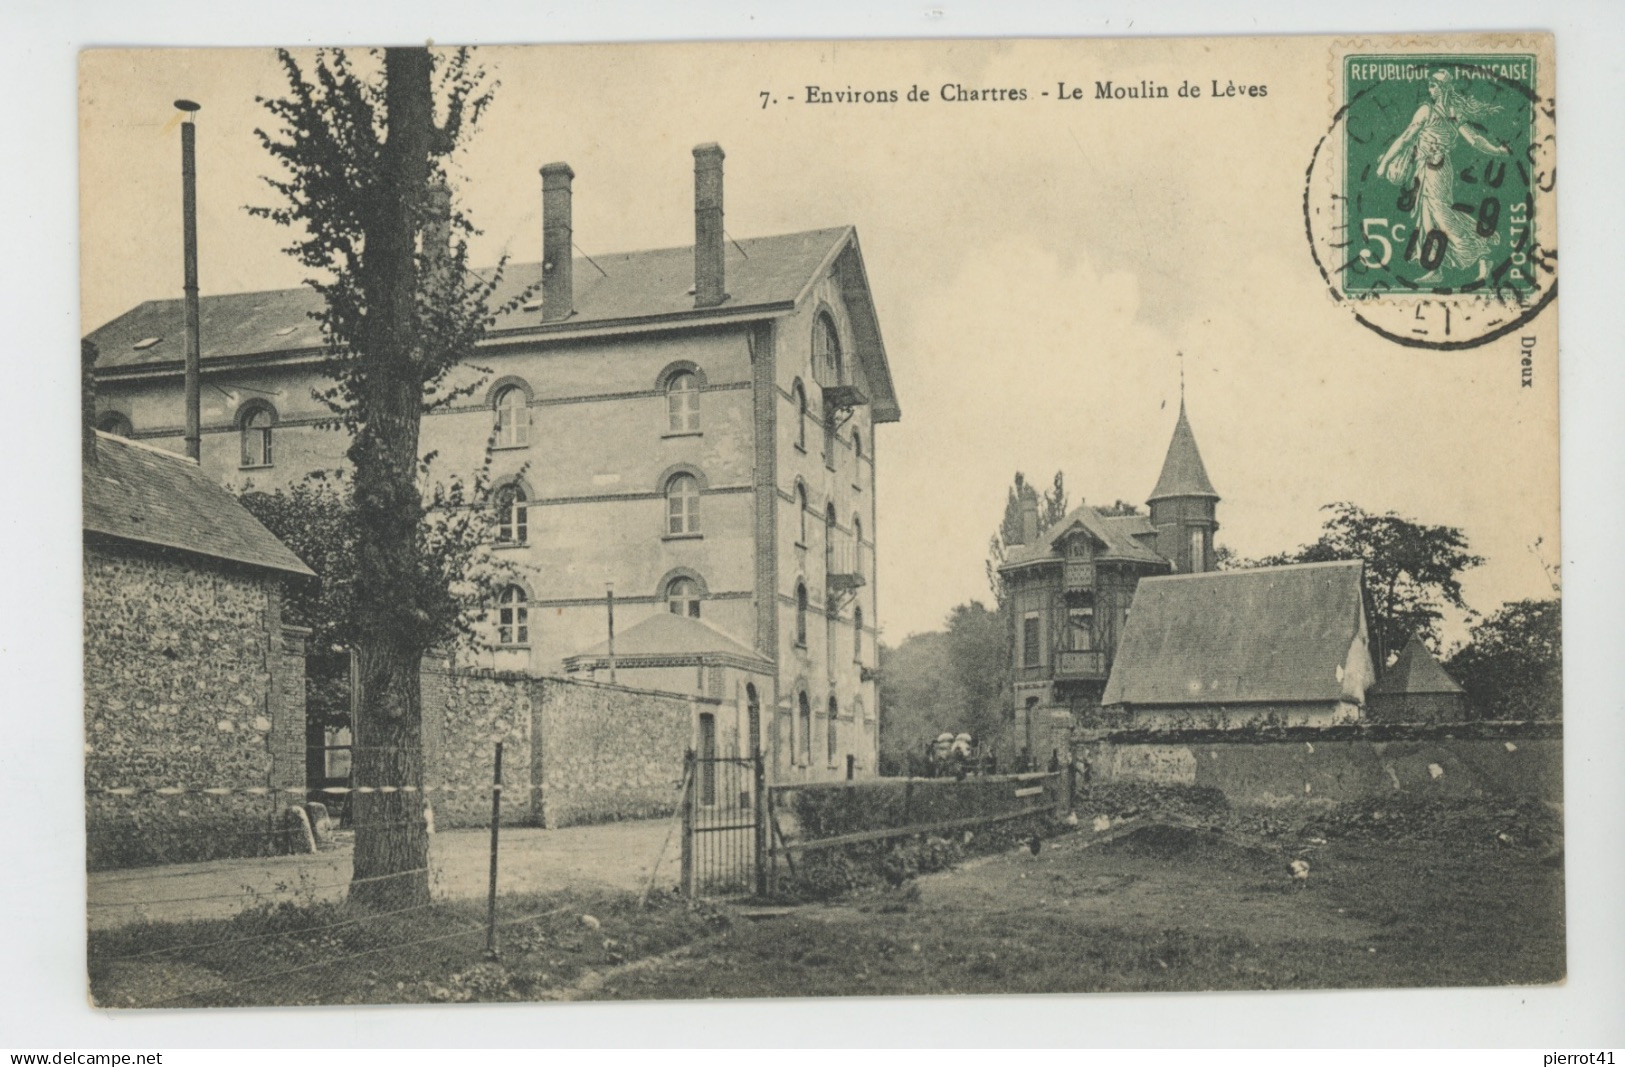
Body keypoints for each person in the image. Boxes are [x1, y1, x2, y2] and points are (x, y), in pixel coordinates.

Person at [1375, 68, 1512, 284]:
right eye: (1430, 85)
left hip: (1437, 170)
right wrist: (1385, 162)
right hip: (1424, 169)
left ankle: (1482, 254)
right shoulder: (1430, 111)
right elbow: (1406, 138)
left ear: (1444, 88)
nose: (1430, 89)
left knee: (1442, 217)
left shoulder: (1448, 112)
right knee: (1428, 219)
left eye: (1433, 85)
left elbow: (1474, 139)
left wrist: (1496, 151)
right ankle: (1435, 268)